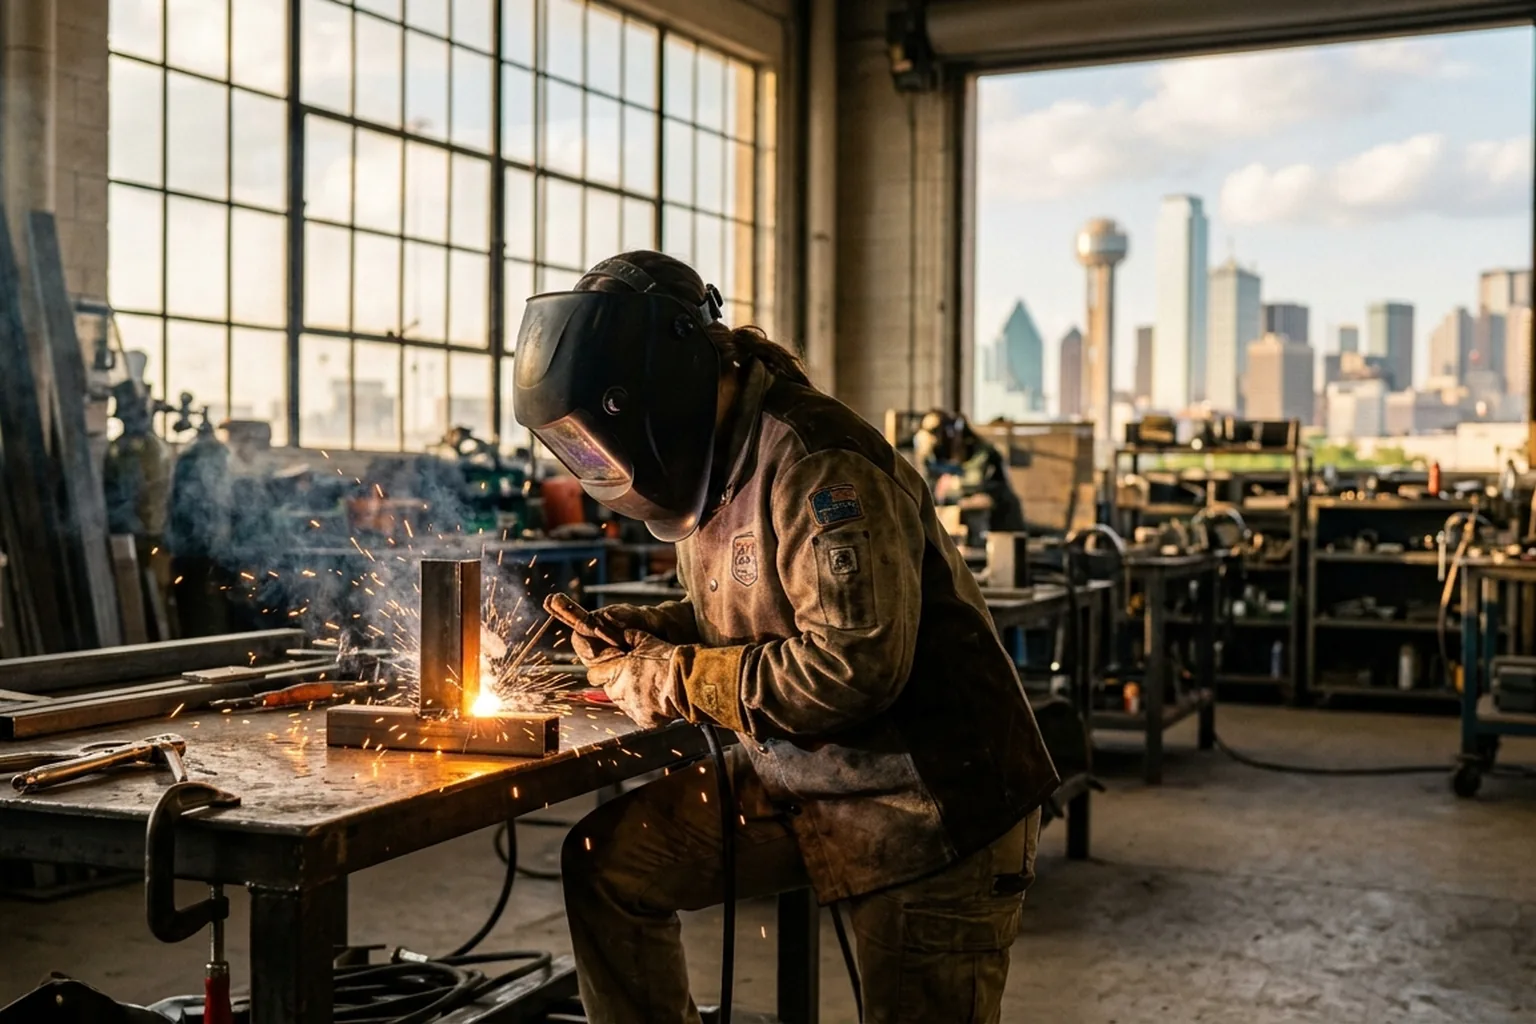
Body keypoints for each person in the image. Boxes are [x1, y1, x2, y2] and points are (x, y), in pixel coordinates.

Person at [513, 251, 1059, 1024]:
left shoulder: (817, 462)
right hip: (810, 778)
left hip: (932, 804)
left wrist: (672, 677)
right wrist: (649, 633)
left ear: (663, 385)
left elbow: (850, 666)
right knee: (611, 871)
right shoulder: (710, 466)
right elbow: (746, 615)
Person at [912, 410, 1027, 534]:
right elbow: (931, 494)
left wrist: (956, 488)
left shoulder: (983, 454)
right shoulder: (932, 459)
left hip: (997, 526)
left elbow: (983, 491)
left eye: (934, 431)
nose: (927, 438)